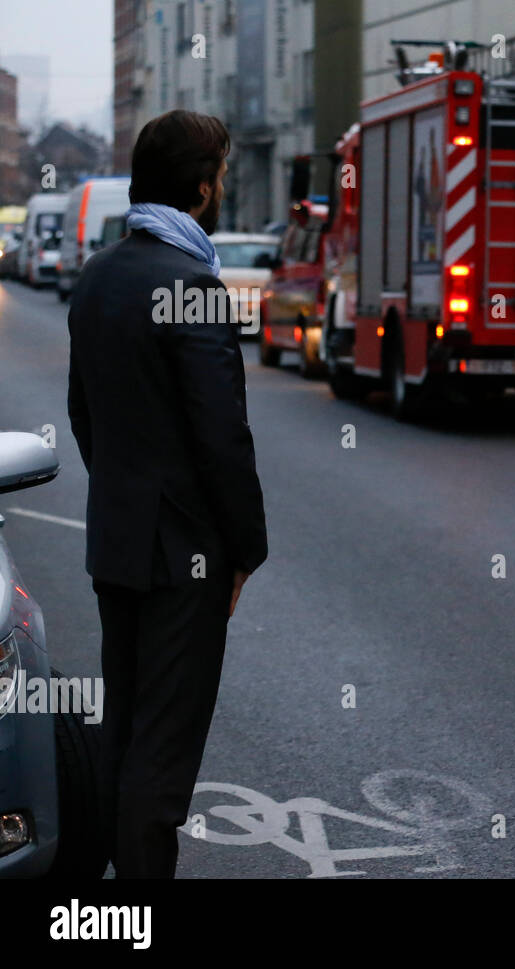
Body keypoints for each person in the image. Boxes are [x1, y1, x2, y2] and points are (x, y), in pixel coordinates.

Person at [67, 109, 268, 877]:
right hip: (185, 552)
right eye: (218, 172)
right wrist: (246, 546)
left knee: (124, 723)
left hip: (117, 539)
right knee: (164, 743)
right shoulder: (194, 286)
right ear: (203, 188)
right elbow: (222, 439)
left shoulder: (99, 276)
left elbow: (82, 411)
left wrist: (124, 490)